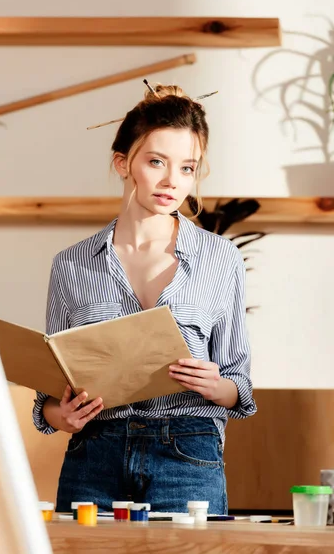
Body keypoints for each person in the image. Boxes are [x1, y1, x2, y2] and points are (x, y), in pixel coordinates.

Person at [33, 82, 256, 514]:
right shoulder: (72, 264)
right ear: (123, 163)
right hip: (94, 454)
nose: (173, 181)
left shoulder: (220, 259)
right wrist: (67, 416)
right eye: (156, 162)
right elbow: (50, 397)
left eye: (187, 168)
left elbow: (239, 387)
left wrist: (216, 385)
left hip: (187, 453)